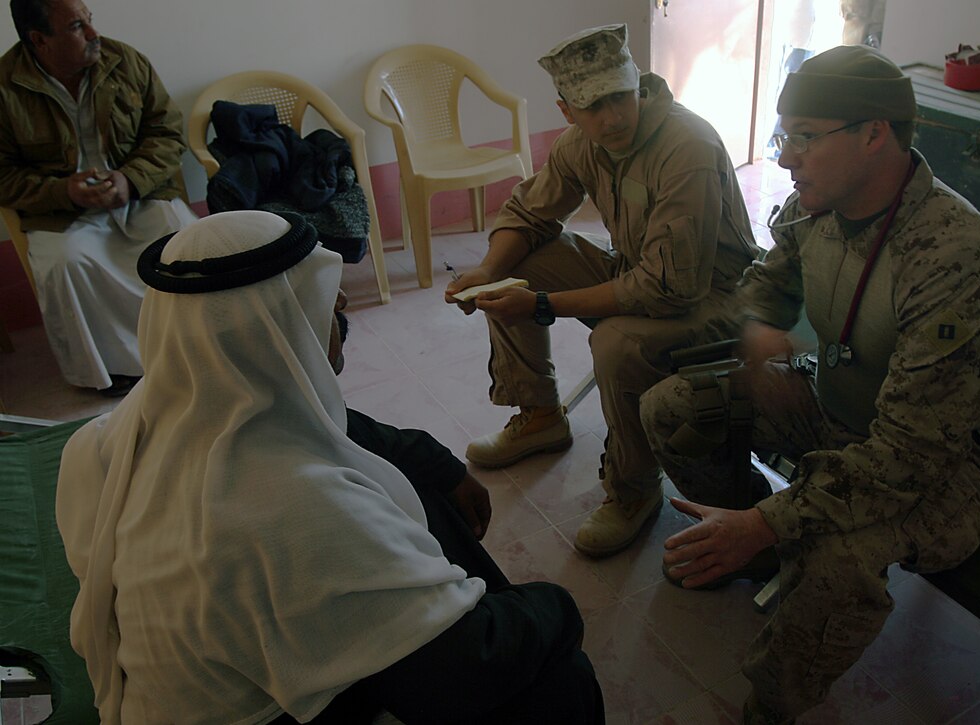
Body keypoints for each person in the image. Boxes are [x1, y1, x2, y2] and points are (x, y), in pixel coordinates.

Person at [55, 210, 604, 724]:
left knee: (414, 482)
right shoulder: (290, 508)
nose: (341, 302)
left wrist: (436, 463)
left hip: (206, 674)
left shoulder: (127, 427)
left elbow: (336, 425)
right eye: (329, 307)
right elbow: (465, 673)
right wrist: (556, 605)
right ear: (276, 335)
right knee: (552, 682)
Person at [639, 45, 980, 723]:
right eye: (785, 138)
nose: (785, 158)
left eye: (803, 138)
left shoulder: (959, 259)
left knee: (838, 562)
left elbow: (907, 456)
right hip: (837, 399)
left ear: (874, 134)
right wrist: (758, 330)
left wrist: (767, 519)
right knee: (675, 408)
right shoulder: (815, 207)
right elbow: (764, 284)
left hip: (942, 467)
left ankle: (774, 699)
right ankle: (754, 554)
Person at [445, 23, 760, 558]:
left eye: (619, 97)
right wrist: (487, 269)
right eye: (592, 106)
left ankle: (634, 489)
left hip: (717, 298)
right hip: (642, 270)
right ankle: (541, 414)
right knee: (518, 265)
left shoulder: (688, 145)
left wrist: (542, 305)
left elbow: (669, 287)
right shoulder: (580, 145)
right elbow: (528, 211)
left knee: (616, 342)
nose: (611, 116)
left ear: (638, 83)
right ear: (567, 111)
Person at [0, 0, 197, 396]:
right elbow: (3, 175)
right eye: (77, 26)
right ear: (40, 40)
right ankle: (114, 372)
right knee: (65, 264)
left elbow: (167, 133)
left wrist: (130, 179)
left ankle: (196, 349)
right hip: (61, 211)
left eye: (90, 20)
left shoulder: (125, 61)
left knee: (187, 244)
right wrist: (64, 191)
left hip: (141, 194)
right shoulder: (5, 87)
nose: (94, 34)